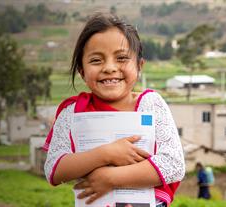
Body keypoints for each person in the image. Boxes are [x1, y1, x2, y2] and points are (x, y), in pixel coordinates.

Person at [43, 13, 185, 207]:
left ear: (139, 66)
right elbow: (54, 169)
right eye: (96, 60)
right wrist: (107, 154)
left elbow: (173, 165)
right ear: (82, 71)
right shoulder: (72, 112)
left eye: (121, 58)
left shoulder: (151, 105)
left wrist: (111, 178)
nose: (109, 68)